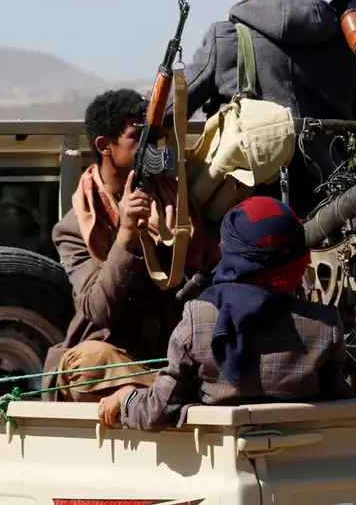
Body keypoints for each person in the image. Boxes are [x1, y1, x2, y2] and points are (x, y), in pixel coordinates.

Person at [98, 196, 351, 431]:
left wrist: (126, 397)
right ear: (299, 260)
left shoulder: (199, 319)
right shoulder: (325, 326)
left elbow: (157, 411)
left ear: (231, 253)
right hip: (300, 456)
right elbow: (337, 402)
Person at [178, 0, 356, 218]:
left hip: (248, 219)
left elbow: (170, 109)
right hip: (337, 209)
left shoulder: (227, 38)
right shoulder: (351, 42)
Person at [41, 89, 221, 401]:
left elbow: (212, 269)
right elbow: (99, 311)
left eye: (153, 138)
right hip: (116, 357)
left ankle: (158, 395)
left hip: (174, 350)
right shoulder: (75, 228)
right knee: (88, 362)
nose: (150, 148)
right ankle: (158, 395)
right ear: (104, 146)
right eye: (137, 137)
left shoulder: (175, 201)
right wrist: (125, 236)